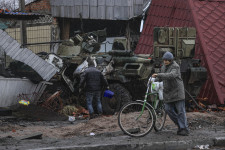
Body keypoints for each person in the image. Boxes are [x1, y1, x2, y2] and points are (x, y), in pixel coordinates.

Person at [152, 51, 189, 136]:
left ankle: (184, 129)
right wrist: (153, 81)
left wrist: (158, 75)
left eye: (167, 60)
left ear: (171, 60)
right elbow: (161, 78)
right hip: (168, 93)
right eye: (164, 60)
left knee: (180, 111)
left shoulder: (175, 67)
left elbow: (170, 75)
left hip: (177, 93)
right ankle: (180, 125)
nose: (165, 61)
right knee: (168, 109)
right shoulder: (163, 67)